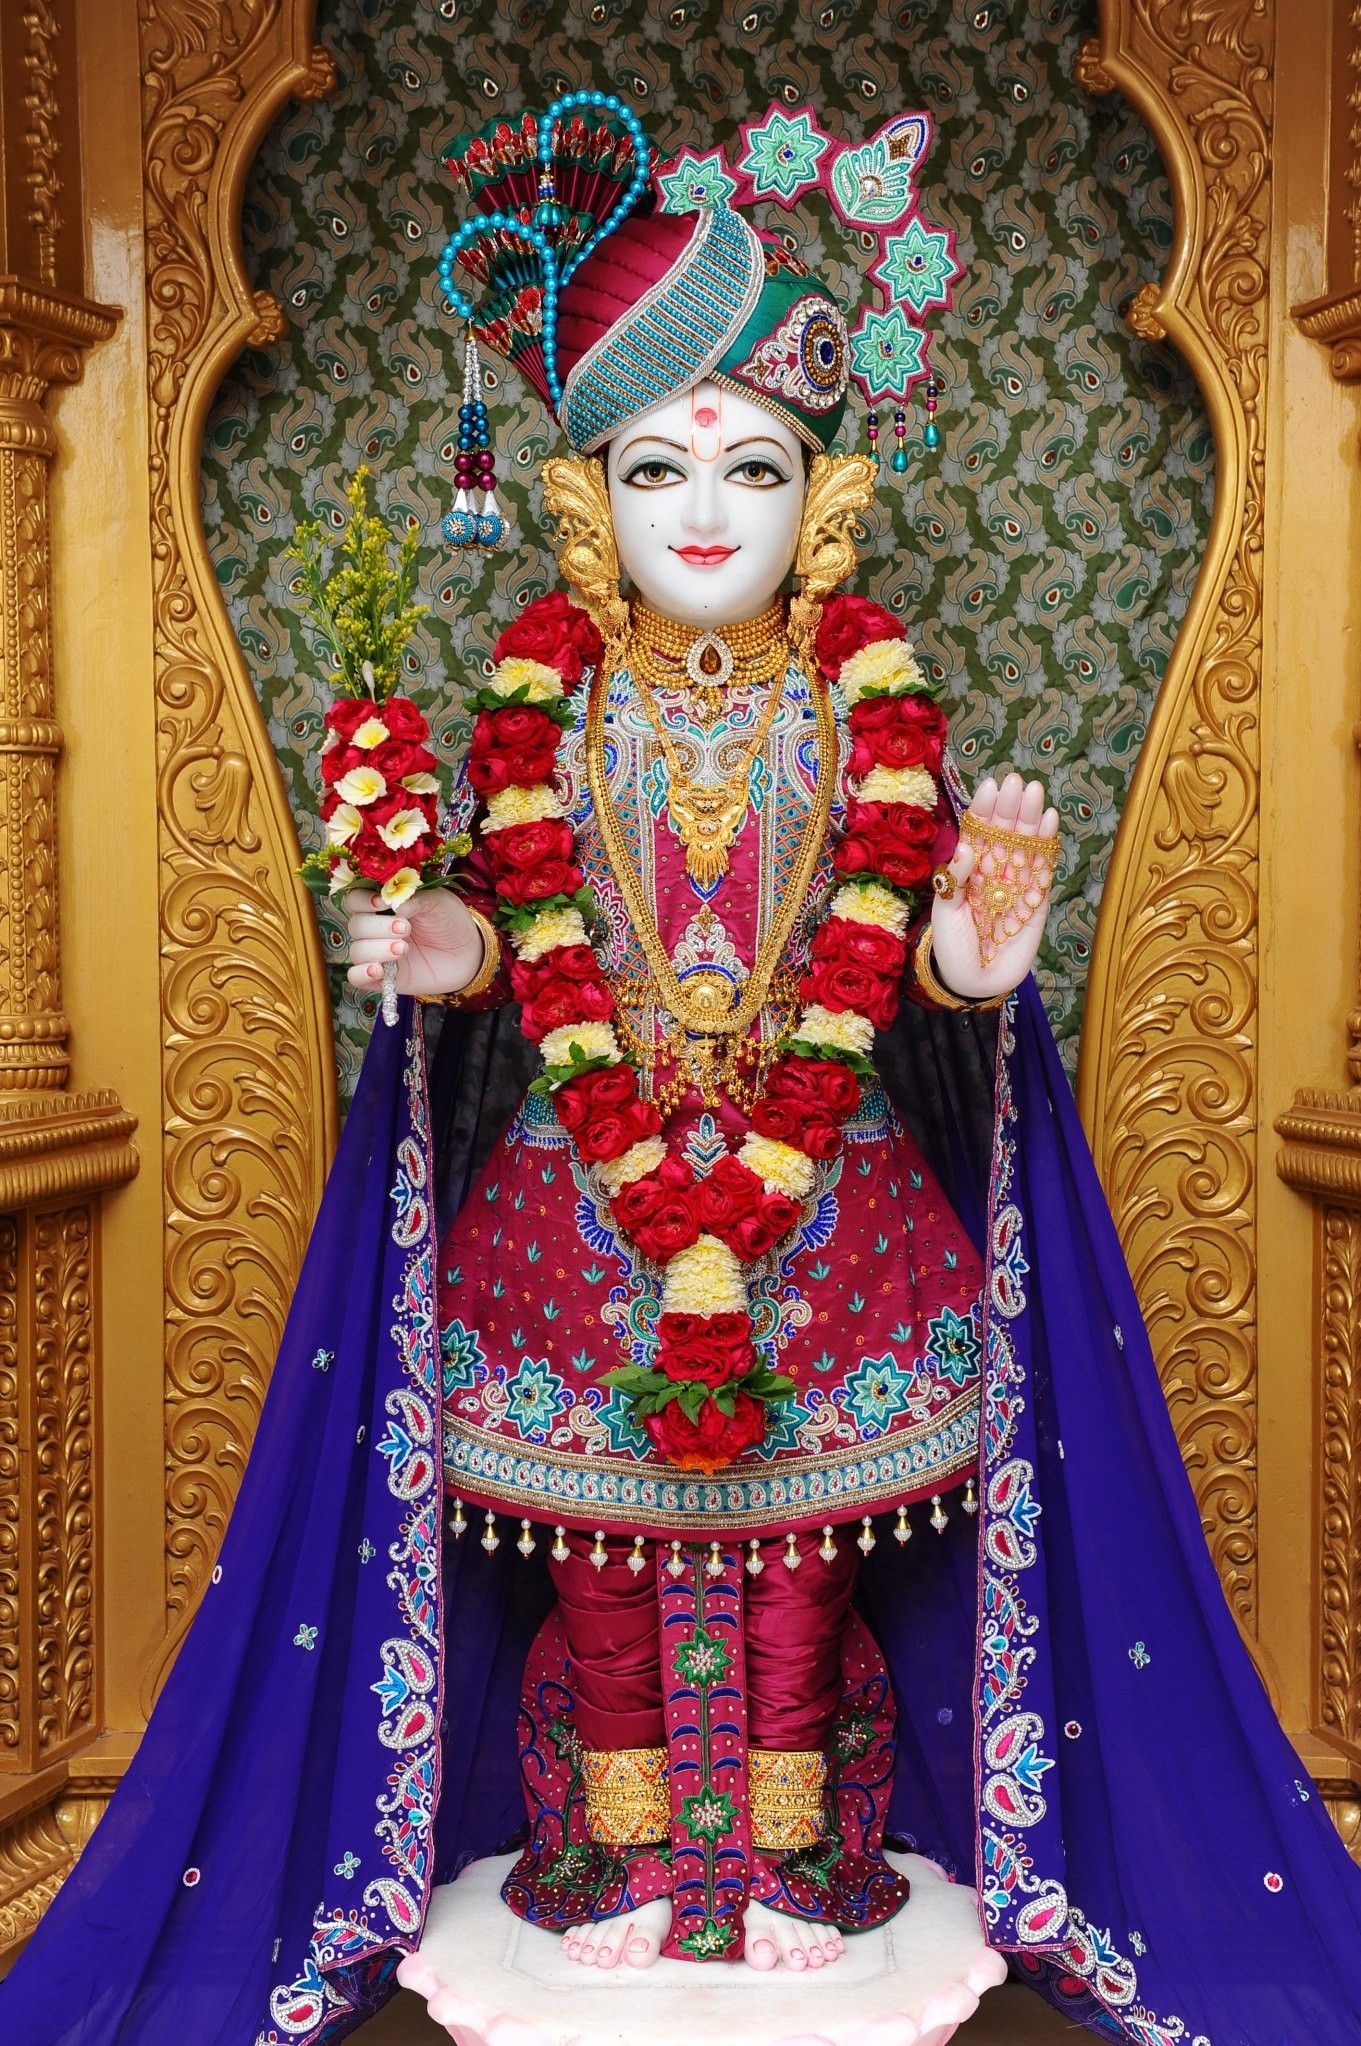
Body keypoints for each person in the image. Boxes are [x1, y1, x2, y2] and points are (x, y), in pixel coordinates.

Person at [6, 90, 1361, 2046]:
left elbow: (915, 967)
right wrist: (449, 949)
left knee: (804, 1561)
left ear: (820, 501)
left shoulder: (859, 715)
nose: (705, 508)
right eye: (657, 469)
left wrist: (984, 943)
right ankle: (622, 1864)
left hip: (827, 1215)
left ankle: (794, 1863)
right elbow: (501, 931)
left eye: (748, 464)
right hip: (584, 1198)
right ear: (589, 506)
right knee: (608, 1575)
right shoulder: (540, 719)